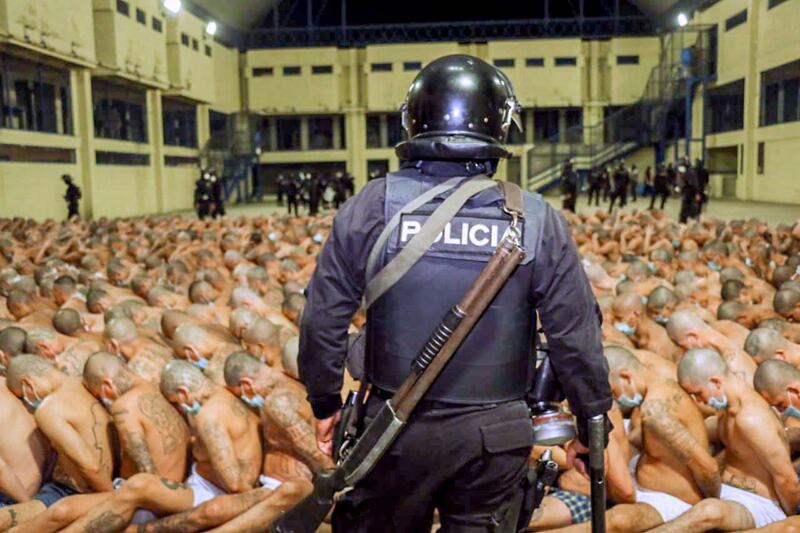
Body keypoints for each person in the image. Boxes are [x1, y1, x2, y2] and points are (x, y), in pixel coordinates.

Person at [299, 54, 612, 531]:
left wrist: (325, 404)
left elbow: (322, 318)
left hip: (392, 431)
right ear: (501, 126)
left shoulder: (373, 205)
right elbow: (576, 336)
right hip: (495, 438)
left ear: (413, 121)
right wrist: (593, 420)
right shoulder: (535, 218)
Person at [662, 348, 800, 531]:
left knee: (709, 512)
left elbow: (786, 479)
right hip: (730, 495)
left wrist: (787, 519)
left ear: (715, 382)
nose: (699, 401)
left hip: (761, 505)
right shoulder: (727, 412)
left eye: (698, 393)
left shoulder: (752, 418)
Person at [678, 159, 702, 224]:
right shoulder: (687, 172)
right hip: (688, 193)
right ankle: (685, 221)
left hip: (690, 193)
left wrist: (697, 193)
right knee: (688, 210)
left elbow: (694, 184)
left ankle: (686, 222)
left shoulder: (690, 173)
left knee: (690, 210)